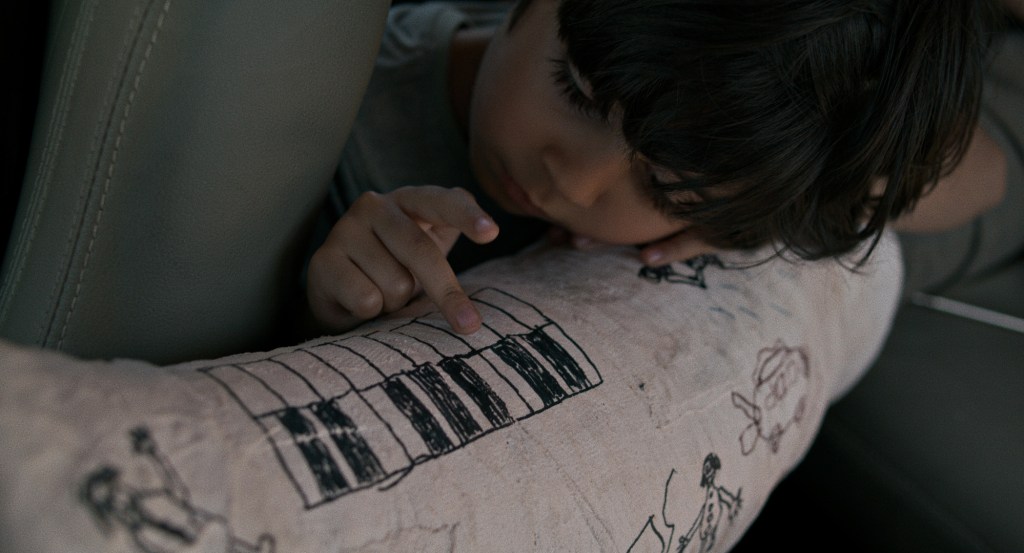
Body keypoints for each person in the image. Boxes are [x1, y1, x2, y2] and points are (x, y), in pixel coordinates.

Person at [306, 0, 1022, 336]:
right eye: (578, 94)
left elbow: (988, 177)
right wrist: (337, 297)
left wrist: (761, 201)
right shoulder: (329, 109)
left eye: (663, 185)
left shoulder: (760, 175)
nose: (573, 182)